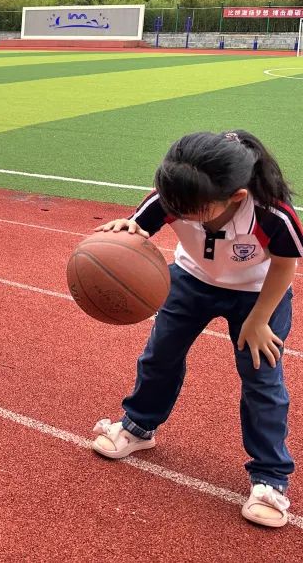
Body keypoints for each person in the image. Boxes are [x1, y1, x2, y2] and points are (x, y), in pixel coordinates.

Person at [92, 130, 300, 528]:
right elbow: (140, 227)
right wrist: (128, 231)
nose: (177, 213)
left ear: (235, 198)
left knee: (262, 378)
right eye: (173, 204)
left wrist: (258, 319)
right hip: (190, 281)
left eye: (190, 210)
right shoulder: (176, 195)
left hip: (256, 294)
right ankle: (139, 426)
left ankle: (270, 478)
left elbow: (285, 264)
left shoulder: (271, 214)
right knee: (160, 356)